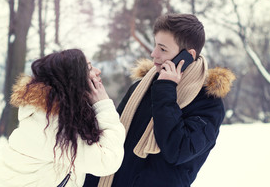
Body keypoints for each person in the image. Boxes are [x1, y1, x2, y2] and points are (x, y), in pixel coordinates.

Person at [84, 13, 235, 187]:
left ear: (188, 55)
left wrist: (166, 90)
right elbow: (110, 139)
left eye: (163, 49)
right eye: (156, 46)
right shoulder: (142, 88)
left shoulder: (208, 104)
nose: (153, 54)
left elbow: (177, 150)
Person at [0, 49, 125, 187]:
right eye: (89, 68)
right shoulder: (47, 126)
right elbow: (107, 161)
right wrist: (103, 105)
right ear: (73, 80)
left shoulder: (56, 116)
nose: (97, 71)